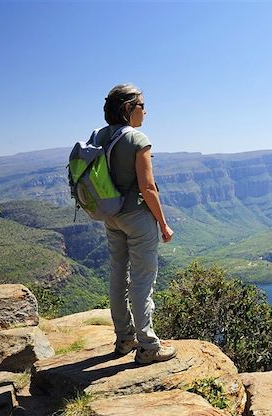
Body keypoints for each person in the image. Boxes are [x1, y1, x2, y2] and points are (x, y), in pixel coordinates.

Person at [98, 83, 176, 364]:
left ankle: (124, 338)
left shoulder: (99, 136)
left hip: (111, 216)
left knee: (118, 277)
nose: (145, 111)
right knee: (142, 282)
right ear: (128, 108)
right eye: (142, 106)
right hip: (137, 218)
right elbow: (148, 187)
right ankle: (148, 347)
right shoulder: (137, 139)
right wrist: (163, 224)